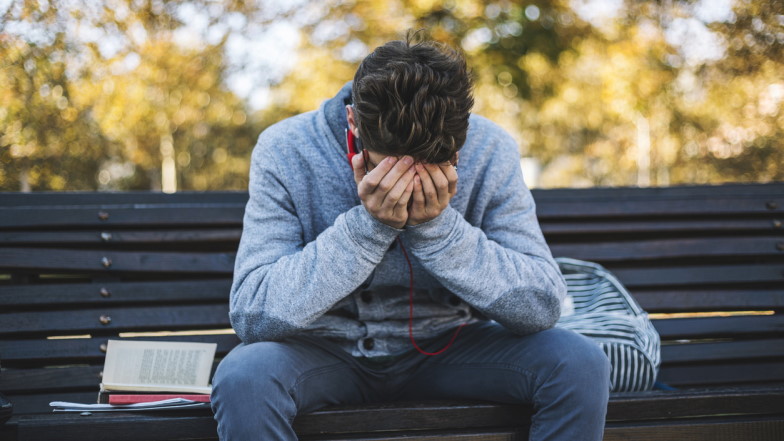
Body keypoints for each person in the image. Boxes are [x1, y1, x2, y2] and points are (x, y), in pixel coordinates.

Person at [211, 33, 610, 441]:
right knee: (245, 377)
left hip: (451, 346)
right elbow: (254, 313)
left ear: (463, 136)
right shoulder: (286, 149)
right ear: (354, 123)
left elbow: (542, 306)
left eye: (435, 166)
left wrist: (439, 230)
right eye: (391, 169)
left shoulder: (492, 149)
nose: (410, 184)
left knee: (578, 362)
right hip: (322, 351)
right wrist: (368, 228)